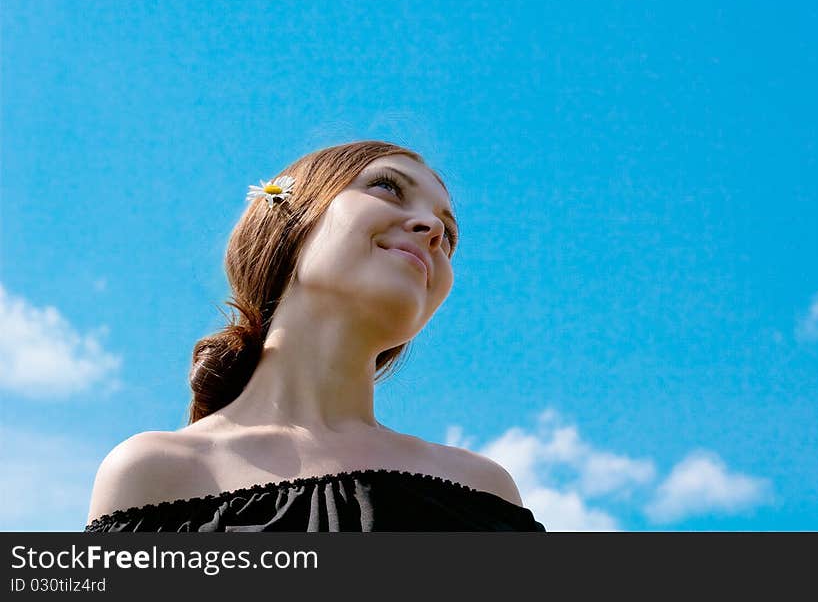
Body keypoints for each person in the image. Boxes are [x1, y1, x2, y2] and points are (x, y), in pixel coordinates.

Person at [84, 140, 546, 532]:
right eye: (387, 187)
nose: (434, 229)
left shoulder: (486, 492)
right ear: (288, 222)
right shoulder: (154, 474)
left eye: (449, 237)